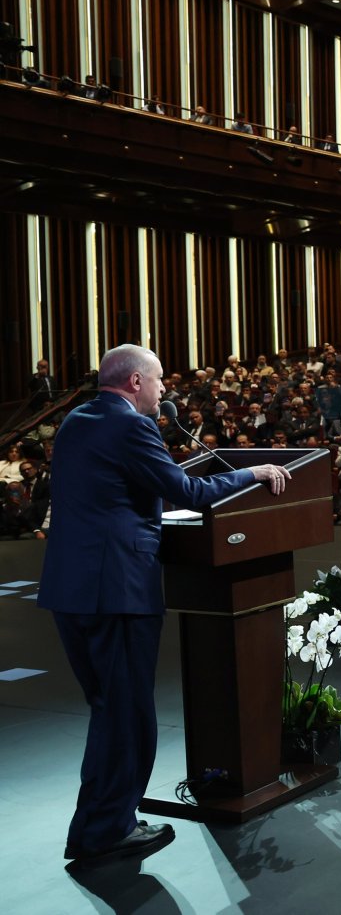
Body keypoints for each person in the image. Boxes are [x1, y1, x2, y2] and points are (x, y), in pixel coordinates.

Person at [37, 344, 291, 865]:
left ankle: (96, 827)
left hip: (72, 590)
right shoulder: (132, 427)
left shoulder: (75, 421)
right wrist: (253, 473)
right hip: (118, 592)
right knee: (128, 716)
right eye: (158, 382)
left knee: (109, 710)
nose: (163, 392)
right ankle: (107, 830)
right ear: (134, 382)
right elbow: (186, 490)